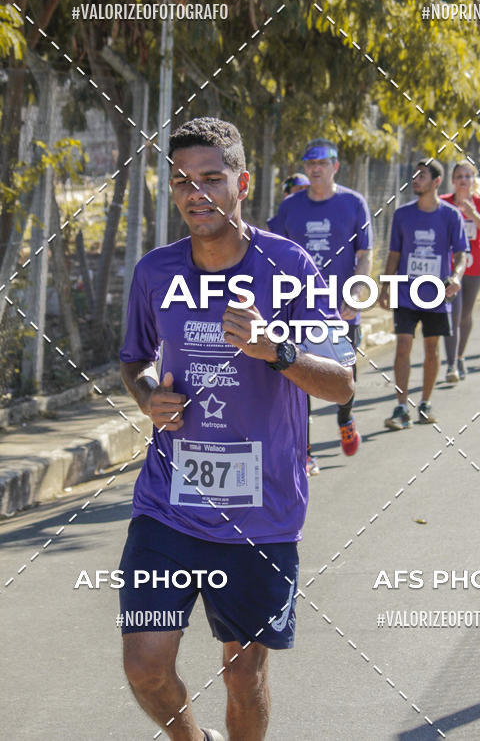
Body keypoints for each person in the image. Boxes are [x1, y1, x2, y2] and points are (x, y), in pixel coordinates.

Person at [118, 117, 354, 741]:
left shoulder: (290, 266)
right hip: (169, 504)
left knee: (243, 673)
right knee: (144, 665)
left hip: (261, 515)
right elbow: (134, 357)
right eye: (181, 181)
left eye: (212, 178)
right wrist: (146, 395)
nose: (196, 192)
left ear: (242, 183)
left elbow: (343, 381)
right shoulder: (155, 273)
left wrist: (275, 349)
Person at [275, 139, 373, 465]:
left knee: (344, 377)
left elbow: (365, 255)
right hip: (299, 310)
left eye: (321, 163)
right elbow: (274, 253)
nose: (315, 169)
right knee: (300, 378)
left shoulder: (354, 204)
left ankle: (345, 418)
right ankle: (305, 451)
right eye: (309, 164)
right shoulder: (290, 207)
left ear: (335, 166)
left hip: (341, 310)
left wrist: (356, 294)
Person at [379, 158, 467, 428]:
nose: (415, 180)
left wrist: (457, 277)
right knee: (403, 345)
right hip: (406, 293)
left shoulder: (451, 216)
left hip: (436, 295)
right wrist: (385, 285)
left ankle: (425, 403)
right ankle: (401, 407)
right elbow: (394, 253)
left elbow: (461, 255)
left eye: (422, 176)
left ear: (436, 182)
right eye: (414, 175)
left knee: (432, 348)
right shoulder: (403, 215)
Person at [441, 161, 480, 381]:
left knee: (464, 315)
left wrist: (474, 215)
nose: (464, 180)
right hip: (448, 270)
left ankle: (461, 354)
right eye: (459, 176)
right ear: (453, 181)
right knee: (451, 315)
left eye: (468, 176)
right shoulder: (444, 203)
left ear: (473, 181)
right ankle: (451, 365)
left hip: (474, 267)